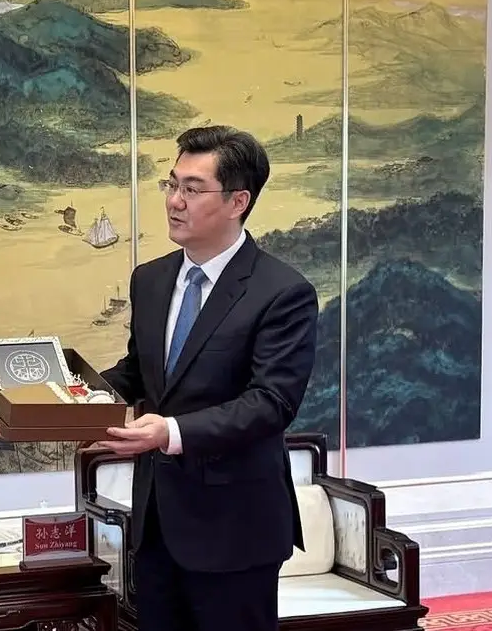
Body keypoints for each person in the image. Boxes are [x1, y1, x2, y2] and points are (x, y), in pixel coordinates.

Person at [99, 125, 319, 631]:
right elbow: (138, 372)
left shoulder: (282, 292)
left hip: (236, 530)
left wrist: (169, 432)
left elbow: (271, 403)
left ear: (239, 201)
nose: (174, 201)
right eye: (172, 184)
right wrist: (60, 395)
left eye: (192, 189)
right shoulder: (150, 279)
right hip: (157, 524)